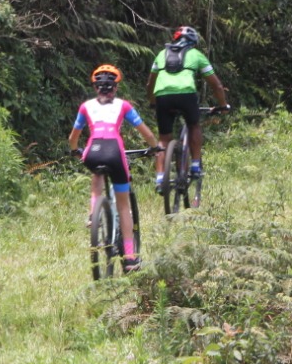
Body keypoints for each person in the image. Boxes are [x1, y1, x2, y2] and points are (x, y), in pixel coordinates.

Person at [68, 64, 160, 273]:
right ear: (116, 87)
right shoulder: (123, 106)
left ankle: (93, 214)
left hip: (92, 151)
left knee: (96, 175)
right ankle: (129, 258)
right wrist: (154, 147)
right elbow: (146, 132)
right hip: (114, 152)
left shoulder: (85, 107)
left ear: (95, 87)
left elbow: (73, 137)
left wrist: (75, 150)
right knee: (123, 207)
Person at [146, 26, 230, 192]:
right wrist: (222, 105)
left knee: (163, 138)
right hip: (186, 95)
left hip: (162, 96)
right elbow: (217, 85)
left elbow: (150, 84)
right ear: (193, 42)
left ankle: (160, 178)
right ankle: (196, 166)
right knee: (194, 126)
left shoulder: (161, 54)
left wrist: (153, 102)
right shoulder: (196, 55)